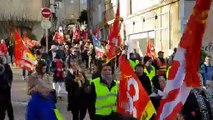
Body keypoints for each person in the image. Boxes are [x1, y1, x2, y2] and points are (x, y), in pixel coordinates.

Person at [0, 55, 14, 120]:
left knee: (9, 110)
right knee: (1, 113)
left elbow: (9, 82)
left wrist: (3, 74)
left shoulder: (7, 69)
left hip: (6, 93)